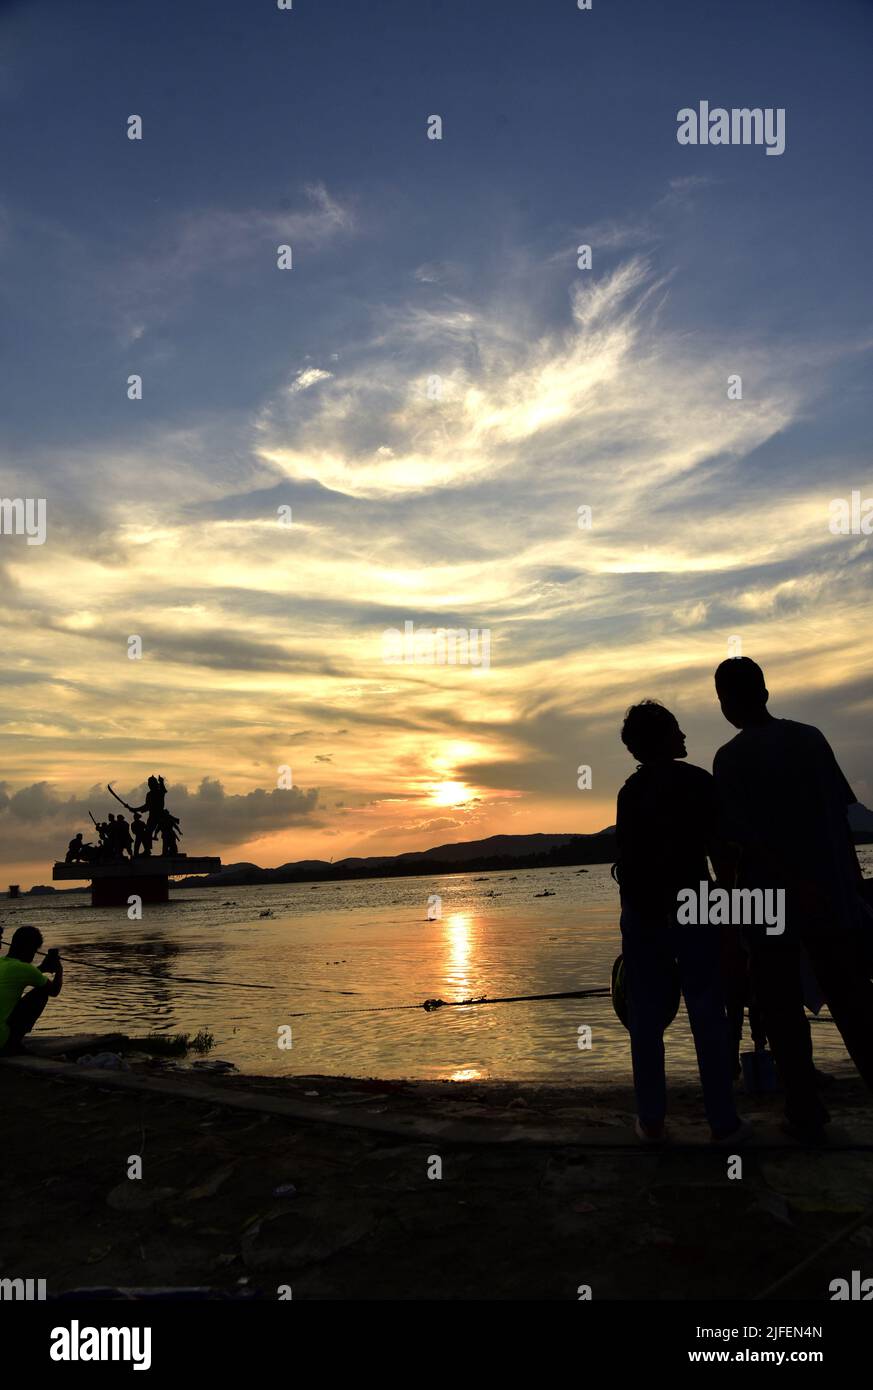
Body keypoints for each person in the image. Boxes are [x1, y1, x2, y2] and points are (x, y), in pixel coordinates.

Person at [713, 656, 873, 1141]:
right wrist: (854, 886)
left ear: (729, 703)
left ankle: (804, 1107)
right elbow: (842, 820)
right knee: (851, 998)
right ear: (765, 692)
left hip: (770, 900)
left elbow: (740, 843)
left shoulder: (731, 758)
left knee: (780, 1004)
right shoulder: (811, 738)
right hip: (830, 891)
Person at [615, 700, 748, 1145]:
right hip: (695, 903)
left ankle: (652, 1120)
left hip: (644, 912)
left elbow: (629, 865)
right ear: (663, 738)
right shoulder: (698, 783)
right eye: (676, 729)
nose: (685, 736)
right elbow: (722, 851)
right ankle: (722, 1122)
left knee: (646, 1019)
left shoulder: (630, 793)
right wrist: (727, 910)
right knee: (708, 1011)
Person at [0, 926, 63, 1055]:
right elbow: (54, 990)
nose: (33, 955)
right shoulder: (25, 969)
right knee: (41, 993)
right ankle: (13, 1044)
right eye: (34, 951)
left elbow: (18, 977)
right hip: (2, 1040)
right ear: (28, 948)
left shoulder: (2, 963)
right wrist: (59, 970)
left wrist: (42, 968)